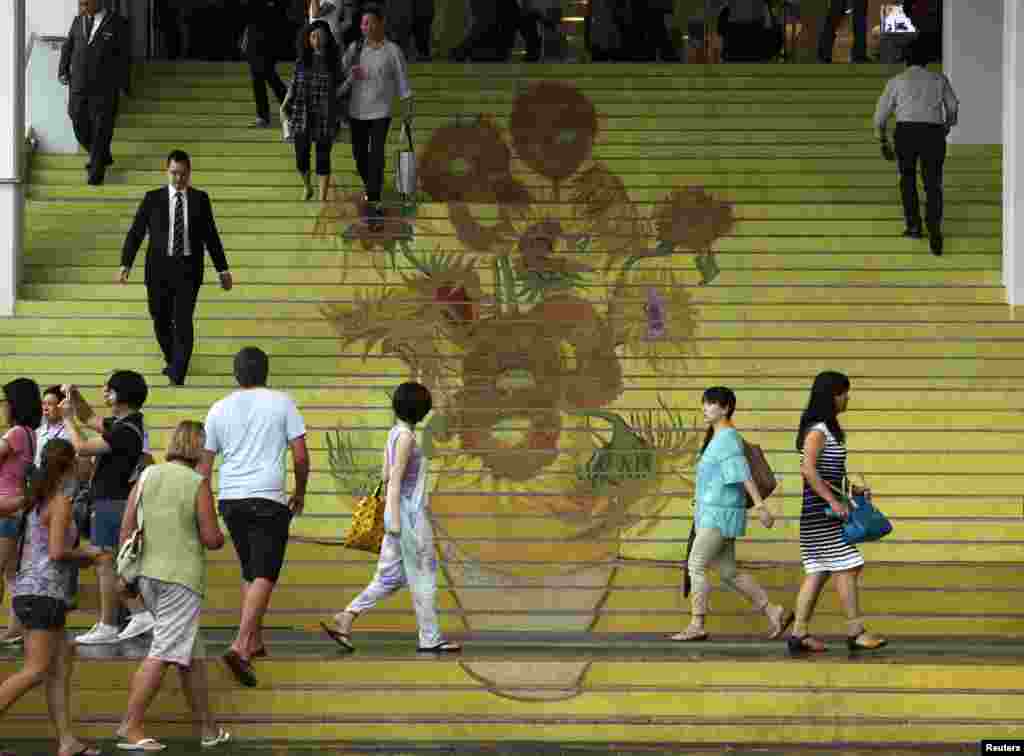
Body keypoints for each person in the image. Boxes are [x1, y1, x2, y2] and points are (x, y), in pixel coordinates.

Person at [116, 421, 230, 751]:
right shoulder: (198, 483)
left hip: (148, 575)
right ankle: (130, 726)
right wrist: (222, 535)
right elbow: (211, 538)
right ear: (199, 448)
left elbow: (126, 528)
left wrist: (127, 574)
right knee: (165, 650)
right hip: (181, 578)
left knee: (190, 651)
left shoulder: (148, 475)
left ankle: (209, 730)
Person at [199, 347, 309, 688]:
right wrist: (300, 491)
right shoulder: (282, 402)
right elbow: (301, 456)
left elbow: (204, 467)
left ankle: (255, 640)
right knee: (266, 571)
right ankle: (240, 645)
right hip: (268, 498)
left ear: (236, 375)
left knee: (250, 569)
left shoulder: (218, 408)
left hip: (231, 499)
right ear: (266, 372)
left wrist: (207, 512)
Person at [322, 382, 460, 654]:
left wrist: (391, 518)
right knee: (424, 575)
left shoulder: (395, 434)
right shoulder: (407, 438)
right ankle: (430, 638)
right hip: (408, 516)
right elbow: (394, 480)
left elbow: (385, 474)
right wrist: (395, 522)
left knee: (389, 577)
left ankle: (347, 616)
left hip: (397, 514)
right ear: (420, 409)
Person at [0, 439, 104, 756]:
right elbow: (58, 552)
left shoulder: (34, 500)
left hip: (37, 592)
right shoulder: (59, 502)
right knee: (35, 669)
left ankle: (67, 741)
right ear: (71, 465)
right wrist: (88, 554)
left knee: (59, 664)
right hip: (43, 593)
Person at [671, 387, 792, 642]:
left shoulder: (726, 437)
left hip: (718, 514)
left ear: (725, 408)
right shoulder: (719, 438)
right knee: (728, 571)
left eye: (711, 404)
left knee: (696, 565)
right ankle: (774, 611)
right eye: (704, 403)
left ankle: (696, 624)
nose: (705, 408)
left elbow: (741, 472)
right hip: (718, 513)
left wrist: (760, 506)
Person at [787, 371, 887, 654]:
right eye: (844, 392)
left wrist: (853, 491)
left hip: (817, 513)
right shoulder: (818, 431)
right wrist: (833, 501)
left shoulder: (827, 430)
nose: (847, 398)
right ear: (831, 396)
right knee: (849, 565)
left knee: (818, 572)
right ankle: (856, 631)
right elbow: (808, 470)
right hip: (822, 515)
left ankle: (799, 634)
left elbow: (831, 474)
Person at [119, 150, 234, 386]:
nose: (178, 179)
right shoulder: (152, 199)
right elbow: (136, 232)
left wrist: (222, 269)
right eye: (174, 173)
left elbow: (211, 236)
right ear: (166, 171)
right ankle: (174, 360)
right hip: (158, 270)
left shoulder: (201, 199)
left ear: (189, 173)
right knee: (159, 318)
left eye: (183, 174)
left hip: (188, 270)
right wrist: (126, 263)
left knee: (182, 320)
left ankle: (177, 373)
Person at [60, 372, 154, 645]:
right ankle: (125, 617)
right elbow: (89, 418)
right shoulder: (125, 423)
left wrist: (66, 419)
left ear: (122, 396)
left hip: (112, 502)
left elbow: (82, 447)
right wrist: (75, 398)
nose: (104, 394)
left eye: (109, 391)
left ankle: (114, 621)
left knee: (106, 563)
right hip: (110, 501)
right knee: (108, 562)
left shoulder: (126, 431)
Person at [874, 40, 958, 256]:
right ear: (927, 60)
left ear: (905, 59)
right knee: (933, 183)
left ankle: (914, 226)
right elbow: (953, 107)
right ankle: (934, 228)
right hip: (933, 132)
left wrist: (882, 139)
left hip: (906, 132)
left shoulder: (897, 81)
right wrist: (946, 127)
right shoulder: (939, 80)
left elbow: (881, 116)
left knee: (907, 179)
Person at [344, 3, 413, 223]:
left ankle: (374, 200)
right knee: (359, 156)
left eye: (370, 22)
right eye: (363, 23)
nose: (365, 26)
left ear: (381, 23)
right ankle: (372, 186)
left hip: (381, 112)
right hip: (356, 112)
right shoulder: (354, 49)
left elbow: (403, 85)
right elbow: (340, 75)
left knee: (376, 155)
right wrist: (350, 75)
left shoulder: (393, 51)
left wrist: (407, 111)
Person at [58, 0, 130, 186]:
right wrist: (63, 71)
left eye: (85, 3)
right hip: (78, 85)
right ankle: (101, 155)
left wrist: (123, 85)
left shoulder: (117, 23)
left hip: (104, 88)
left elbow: (123, 57)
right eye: (80, 4)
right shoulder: (78, 21)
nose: (82, 7)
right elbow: (68, 47)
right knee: (77, 122)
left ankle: (96, 174)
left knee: (101, 129)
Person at [0, 380, 43, 648]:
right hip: (15, 506)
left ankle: (14, 629)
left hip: (4, 507)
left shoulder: (16, 433)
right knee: (12, 573)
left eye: (5, 401)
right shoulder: (30, 432)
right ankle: (14, 629)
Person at [285, 21, 345, 202]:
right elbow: (293, 86)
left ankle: (322, 198)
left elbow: (340, 90)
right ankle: (307, 186)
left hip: (326, 115)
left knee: (323, 157)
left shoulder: (334, 64)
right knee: (301, 158)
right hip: (302, 114)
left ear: (327, 37)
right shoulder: (302, 62)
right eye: (313, 36)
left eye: (320, 35)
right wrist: (284, 104)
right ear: (308, 39)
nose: (317, 39)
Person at [245, 0, 291, 127]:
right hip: (255, 39)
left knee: (269, 77)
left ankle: (289, 109)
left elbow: (280, 13)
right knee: (259, 78)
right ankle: (264, 116)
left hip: (269, 40)